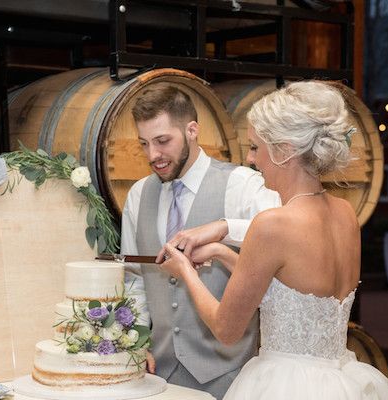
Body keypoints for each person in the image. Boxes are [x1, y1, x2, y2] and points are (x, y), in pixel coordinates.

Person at [159, 81, 388, 399]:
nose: (250, 159)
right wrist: (221, 251)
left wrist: (186, 272)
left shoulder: (273, 224)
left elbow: (227, 330)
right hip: (342, 379)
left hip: (286, 384)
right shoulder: (345, 214)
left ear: (284, 151)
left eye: (254, 147)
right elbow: (289, 289)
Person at [120, 83, 280, 399]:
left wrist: (224, 228)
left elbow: (282, 237)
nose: (153, 155)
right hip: (158, 377)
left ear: (192, 130)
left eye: (163, 141)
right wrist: (136, 340)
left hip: (230, 377)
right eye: (144, 143)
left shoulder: (241, 184)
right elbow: (134, 281)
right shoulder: (139, 195)